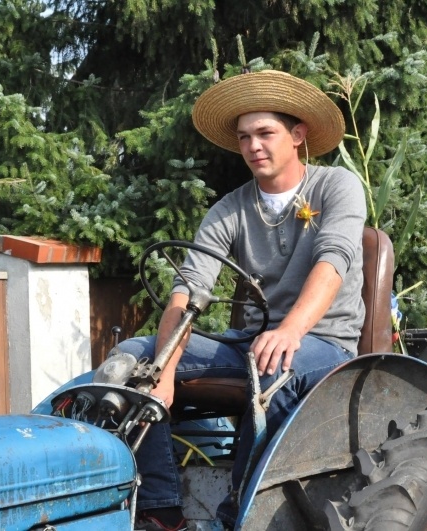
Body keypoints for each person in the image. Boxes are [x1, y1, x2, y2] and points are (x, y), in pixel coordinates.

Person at [121, 69, 367, 531]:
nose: (253, 146)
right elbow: (187, 289)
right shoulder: (230, 208)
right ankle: (160, 511)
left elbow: (332, 263)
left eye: (265, 133)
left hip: (323, 343)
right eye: (244, 137)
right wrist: (164, 370)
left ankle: (235, 518)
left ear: (298, 135)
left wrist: (290, 330)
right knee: (132, 358)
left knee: (271, 365)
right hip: (254, 344)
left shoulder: (336, 186)